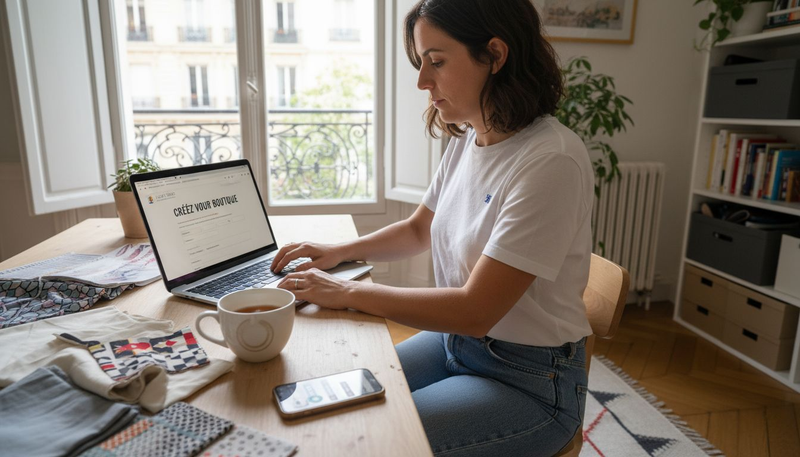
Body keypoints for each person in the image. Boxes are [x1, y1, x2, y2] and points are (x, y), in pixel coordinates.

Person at [273, 0, 594, 455]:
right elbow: (418, 230)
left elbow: (474, 309)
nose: (422, 81)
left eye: (436, 62)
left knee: (366, 441)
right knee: (328, 398)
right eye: (421, 63)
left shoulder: (550, 160)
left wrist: (347, 294)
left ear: (495, 56)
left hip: (530, 381)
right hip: (457, 344)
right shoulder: (469, 138)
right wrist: (340, 251)